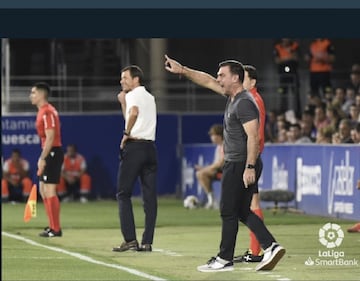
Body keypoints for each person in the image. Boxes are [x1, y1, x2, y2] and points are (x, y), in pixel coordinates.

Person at [165, 55, 285, 272]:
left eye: (222, 75)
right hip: (240, 163)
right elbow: (207, 80)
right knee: (240, 211)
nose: (218, 78)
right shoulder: (234, 98)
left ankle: (224, 258)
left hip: (240, 163)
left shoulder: (245, 102)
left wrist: (249, 167)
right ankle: (271, 245)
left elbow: (254, 137)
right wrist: (183, 70)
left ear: (236, 78)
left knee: (227, 210)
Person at [112, 65, 158, 253]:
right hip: (150, 148)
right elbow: (132, 115)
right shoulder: (149, 96)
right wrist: (123, 103)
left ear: (136, 79)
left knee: (123, 193)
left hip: (135, 147)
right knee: (149, 198)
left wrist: (125, 134)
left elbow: (134, 114)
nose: (122, 81)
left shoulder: (134, 95)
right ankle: (147, 242)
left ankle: (130, 239)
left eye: (125, 78)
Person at [30, 82, 64, 237]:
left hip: (52, 152)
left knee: (49, 190)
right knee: (43, 190)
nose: (31, 96)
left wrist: (42, 158)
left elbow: (50, 137)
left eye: (33, 93)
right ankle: (52, 226)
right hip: (48, 152)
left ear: (42, 95)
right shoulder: (42, 111)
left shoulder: (48, 112)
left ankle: (56, 229)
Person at [195, 124, 224, 209]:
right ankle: (212, 200)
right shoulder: (218, 147)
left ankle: (213, 201)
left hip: (226, 172)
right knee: (200, 174)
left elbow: (220, 163)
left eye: (213, 135)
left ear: (219, 136)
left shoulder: (225, 146)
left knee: (201, 173)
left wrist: (204, 169)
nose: (212, 137)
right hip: (219, 172)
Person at [274, 38, 301, 116]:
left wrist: (284, 59)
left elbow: (296, 58)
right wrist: (289, 58)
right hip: (282, 74)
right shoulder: (277, 47)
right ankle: (282, 112)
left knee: (295, 93)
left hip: (294, 73)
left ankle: (297, 112)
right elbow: (277, 60)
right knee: (282, 93)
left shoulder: (295, 46)